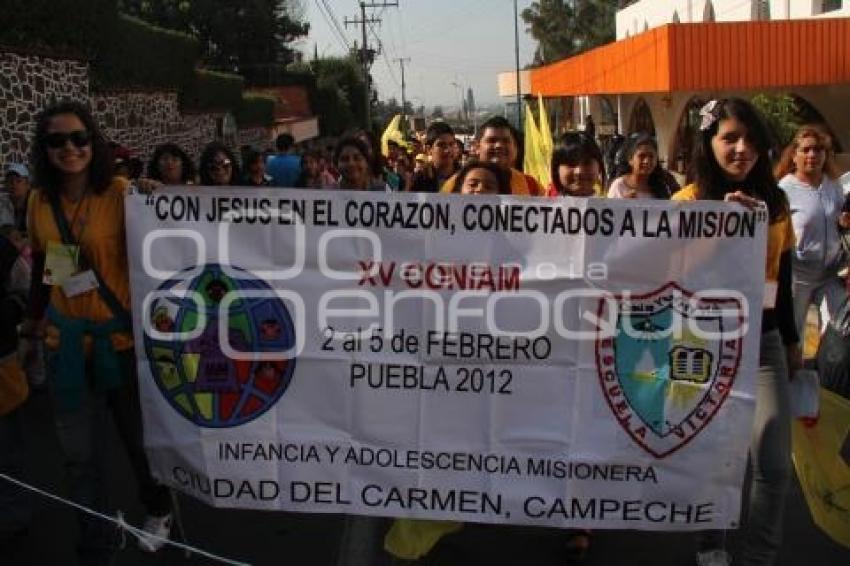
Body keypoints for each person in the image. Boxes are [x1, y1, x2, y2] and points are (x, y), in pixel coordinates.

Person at [20, 100, 172, 563]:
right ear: (44, 149)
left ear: (94, 142)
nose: (70, 148)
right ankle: (96, 530)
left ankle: (159, 509)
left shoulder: (122, 193)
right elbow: (51, 264)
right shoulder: (39, 202)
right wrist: (35, 317)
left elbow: (159, 251)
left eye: (79, 138)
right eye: (56, 140)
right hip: (64, 345)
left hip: (119, 342)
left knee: (135, 440)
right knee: (78, 453)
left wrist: (156, 197)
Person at [672, 98, 800, 566]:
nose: (741, 148)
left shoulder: (778, 202)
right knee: (710, 457)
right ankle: (711, 548)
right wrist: (719, 227)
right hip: (701, 344)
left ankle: (758, 558)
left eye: (750, 139)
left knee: (772, 463)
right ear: (709, 143)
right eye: (729, 138)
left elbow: (780, 274)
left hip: (762, 342)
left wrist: (789, 338)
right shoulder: (684, 204)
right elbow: (668, 276)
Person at [774, 125, 850, 344]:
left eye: (818, 150)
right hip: (798, 276)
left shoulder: (833, 186)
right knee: (792, 335)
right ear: (794, 155)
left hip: (830, 274)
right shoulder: (785, 189)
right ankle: (791, 375)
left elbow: (840, 222)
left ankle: (831, 373)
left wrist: (844, 222)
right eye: (806, 150)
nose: (812, 155)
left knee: (841, 326)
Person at [0, 229, 31, 561]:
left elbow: (27, 290)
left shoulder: (4, 249)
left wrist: (8, 312)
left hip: (2, 369)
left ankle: (13, 518)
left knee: (8, 450)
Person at [441, 116, 544, 196]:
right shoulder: (454, 185)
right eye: (492, 140)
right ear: (476, 147)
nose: (499, 146)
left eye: (506, 141)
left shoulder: (532, 187)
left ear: (515, 147)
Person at [607, 133, 671, 199]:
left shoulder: (662, 188)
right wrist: (624, 204)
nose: (646, 161)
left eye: (651, 156)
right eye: (641, 156)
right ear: (630, 160)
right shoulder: (619, 186)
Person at [548, 132, 605, 198]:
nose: (579, 171)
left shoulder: (615, 207)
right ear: (556, 170)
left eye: (587, 163)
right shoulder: (543, 206)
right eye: (571, 163)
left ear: (599, 167)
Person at [410, 122, 458, 193]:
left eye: (451, 144)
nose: (448, 150)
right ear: (429, 149)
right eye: (441, 145)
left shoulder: (465, 176)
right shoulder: (420, 179)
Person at [3, 163, 31, 232]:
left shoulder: (35, 205)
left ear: (27, 185)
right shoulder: (3, 204)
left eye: (18, 181)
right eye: (10, 181)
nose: (14, 184)